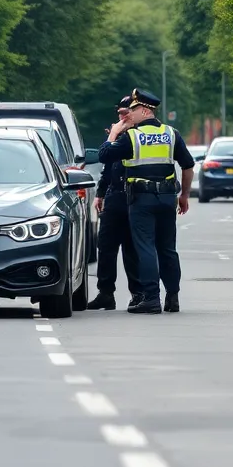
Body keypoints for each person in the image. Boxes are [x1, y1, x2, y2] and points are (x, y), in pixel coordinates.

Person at [98, 88, 195, 315]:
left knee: (146, 247)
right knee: (168, 248)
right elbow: (188, 165)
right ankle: (173, 296)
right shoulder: (171, 133)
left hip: (141, 199)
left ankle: (151, 298)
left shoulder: (132, 137)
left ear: (143, 110)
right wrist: (185, 196)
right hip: (167, 198)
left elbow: (104, 155)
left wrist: (114, 133)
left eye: (132, 111)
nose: (128, 115)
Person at [89, 97, 142, 310]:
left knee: (132, 248)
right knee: (106, 246)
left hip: (134, 198)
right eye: (119, 113)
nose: (121, 117)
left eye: (126, 113)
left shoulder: (138, 137)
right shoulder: (117, 135)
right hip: (114, 196)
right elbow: (108, 168)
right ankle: (105, 293)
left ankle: (137, 293)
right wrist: (100, 194)